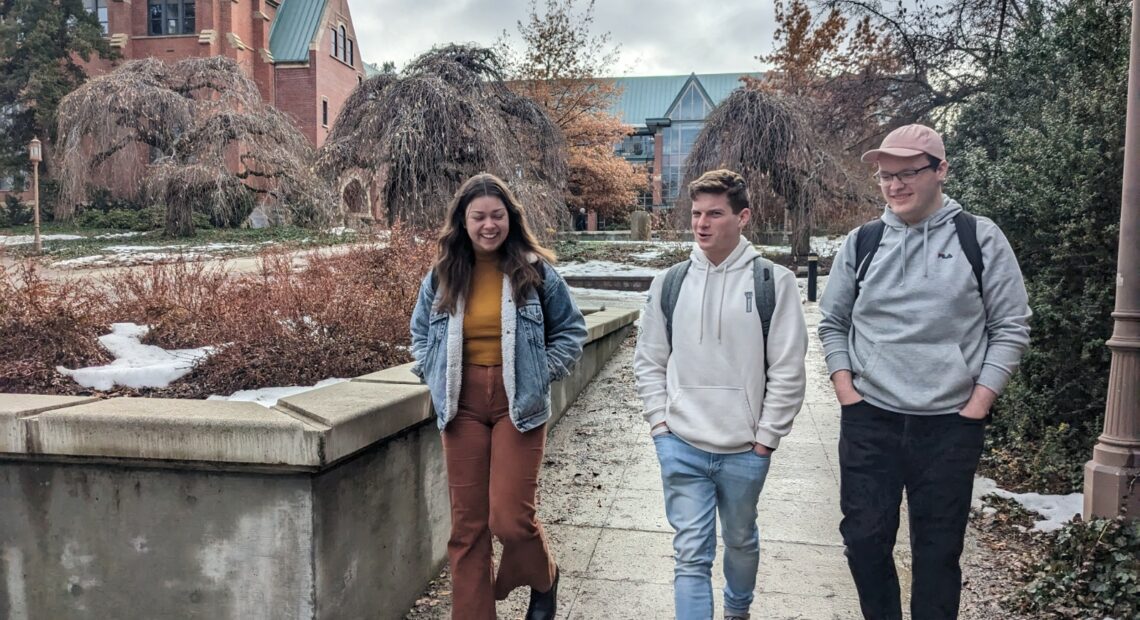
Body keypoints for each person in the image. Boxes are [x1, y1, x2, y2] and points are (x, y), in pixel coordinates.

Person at [818, 124, 1031, 620]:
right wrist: (846, 387)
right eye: (885, 176)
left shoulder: (979, 237)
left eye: (908, 173)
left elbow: (1011, 325)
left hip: (949, 424)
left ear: (941, 171)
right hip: (872, 418)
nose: (895, 186)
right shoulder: (863, 241)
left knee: (937, 553)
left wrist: (979, 402)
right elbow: (833, 322)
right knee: (864, 542)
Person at [410, 173, 587, 620]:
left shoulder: (534, 270)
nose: (489, 225)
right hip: (460, 405)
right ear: (463, 222)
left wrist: (539, 373)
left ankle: (545, 578)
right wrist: (432, 373)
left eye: (497, 215)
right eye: (478, 217)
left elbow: (571, 331)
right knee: (467, 528)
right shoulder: (443, 274)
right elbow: (419, 335)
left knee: (509, 518)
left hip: (519, 406)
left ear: (510, 217)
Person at [634, 169, 808, 620]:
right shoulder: (669, 283)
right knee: (690, 555)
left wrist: (766, 438)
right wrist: (660, 426)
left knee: (741, 539)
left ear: (743, 216)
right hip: (681, 444)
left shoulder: (774, 282)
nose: (702, 223)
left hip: (744, 450)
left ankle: (738, 608)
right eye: (696, 213)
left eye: (715, 213)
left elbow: (788, 368)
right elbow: (649, 361)